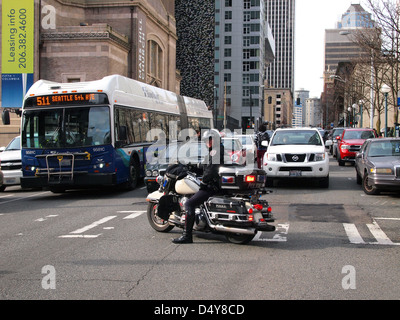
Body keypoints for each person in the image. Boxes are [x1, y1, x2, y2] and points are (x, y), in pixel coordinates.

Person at [172, 129, 225, 244]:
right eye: (206, 140)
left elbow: (210, 171)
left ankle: (187, 236)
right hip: (215, 184)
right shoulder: (215, 151)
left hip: (211, 186)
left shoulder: (216, 151)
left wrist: (204, 183)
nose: (208, 142)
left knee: (189, 203)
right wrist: (191, 166)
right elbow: (205, 166)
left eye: (210, 139)